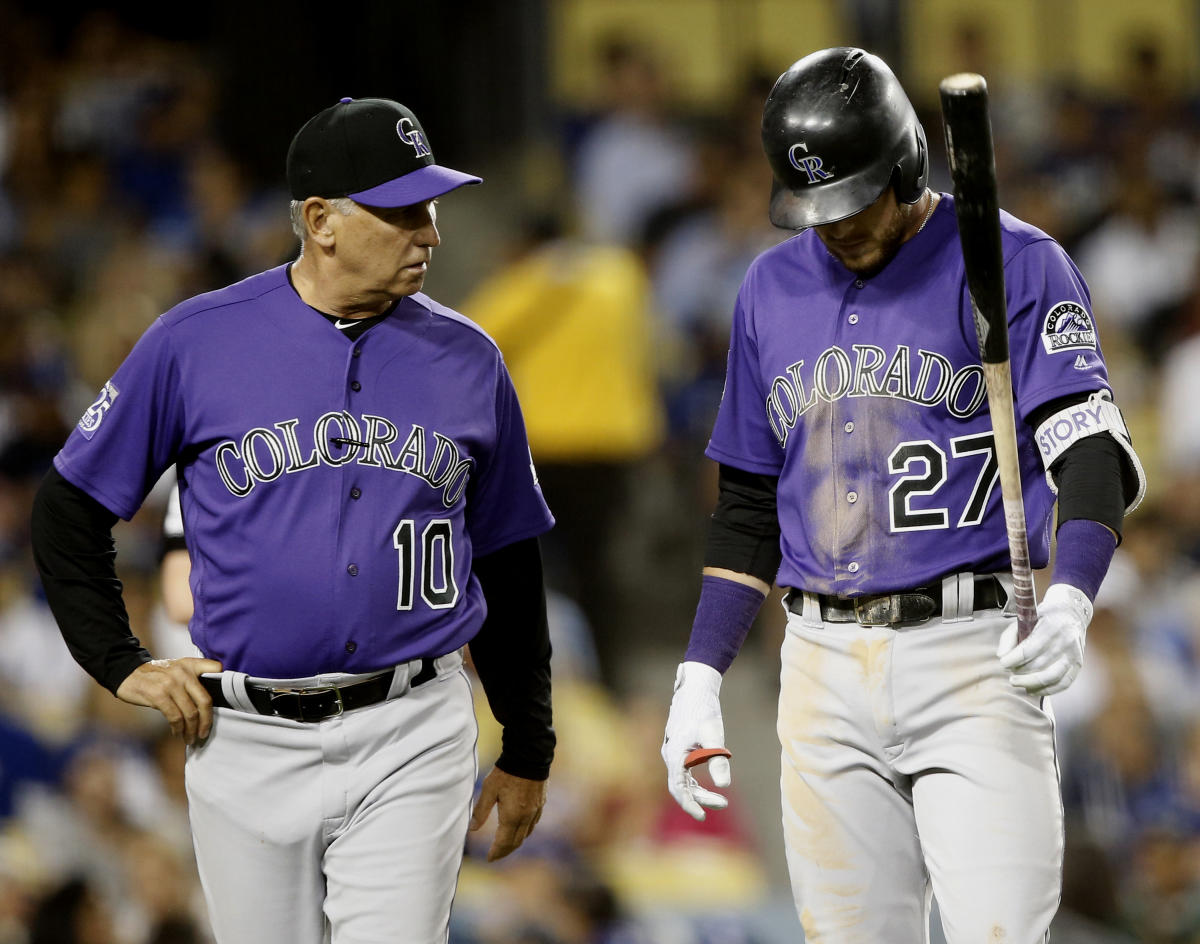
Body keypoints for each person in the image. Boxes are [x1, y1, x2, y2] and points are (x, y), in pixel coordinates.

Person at [31, 96, 557, 944]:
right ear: (321, 221)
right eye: (402, 211)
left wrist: (528, 742)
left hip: (411, 726)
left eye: (432, 207)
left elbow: (508, 557)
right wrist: (118, 662)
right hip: (244, 737)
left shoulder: (471, 359)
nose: (429, 231)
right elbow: (68, 507)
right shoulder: (196, 342)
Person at [659, 48, 1145, 942]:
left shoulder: (1014, 261)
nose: (834, 225)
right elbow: (747, 505)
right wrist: (699, 673)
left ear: (908, 163)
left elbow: (1092, 455)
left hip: (974, 656)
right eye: (815, 208)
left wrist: (1073, 596)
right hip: (820, 664)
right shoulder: (768, 288)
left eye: (853, 199)